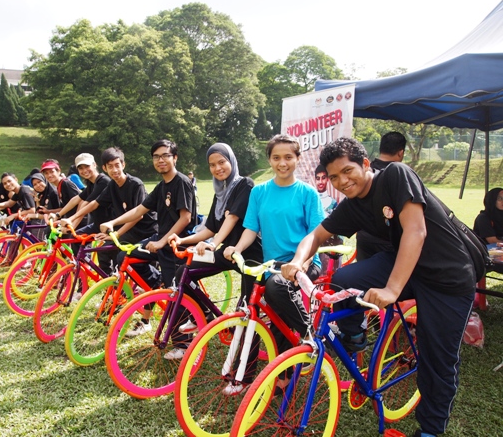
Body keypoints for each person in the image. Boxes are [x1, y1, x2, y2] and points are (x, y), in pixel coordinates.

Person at [281, 137, 475, 437]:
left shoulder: (396, 175)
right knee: (344, 279)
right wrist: (297, 261)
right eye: (334, 177)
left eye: (347, 171)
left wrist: (392, 290)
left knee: (437, 360)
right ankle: (354, 335)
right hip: (403, 264)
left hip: (446, 276)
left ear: (365, 164)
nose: (342, 181)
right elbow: (316, 236)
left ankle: (430, 429)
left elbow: (416, 231)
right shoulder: (352, 205)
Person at [223, 135, 324, 390]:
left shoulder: (307, 193)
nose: (282, 163)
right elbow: (250, 228)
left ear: (298, 159)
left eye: (288, 157)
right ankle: (284, 374)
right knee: (274, 315)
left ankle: (311, 336)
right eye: (276, 157)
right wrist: (237, 248)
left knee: (277, 290)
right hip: (272, 266)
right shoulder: (259, 192)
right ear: (269, 160)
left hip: (304, 263)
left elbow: (316, 235)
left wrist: (302, 263)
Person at [100, 139, 197, 355]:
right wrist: (114, 223)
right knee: (126, 256)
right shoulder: (162, 186)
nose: (160, 160)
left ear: (175, 158)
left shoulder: (181, 182)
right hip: (160, 240)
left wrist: (163, 241)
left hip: (177, 244)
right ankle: (154, 283)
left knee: (174, 293)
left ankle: (183, 344)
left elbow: (186, 218)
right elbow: (139, 210)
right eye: (156, 156)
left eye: (165, 155)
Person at [167, 143, 263, 362]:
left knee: (248, 311)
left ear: (232, 161)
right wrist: (183, 240)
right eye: (212, 165)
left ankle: (245, 369)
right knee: (183, 272)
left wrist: (213, 243)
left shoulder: (245, 184)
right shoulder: (219, 193)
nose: (218, 168)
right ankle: (203, 315)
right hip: (227, 253)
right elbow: (210, 227)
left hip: (250, 255)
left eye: (222, 162)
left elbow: (232, 218)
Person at [62, 147, 158, 270]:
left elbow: (138, 216)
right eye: (110, 166)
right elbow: (95, 203)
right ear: (104, 168)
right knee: (104, 251)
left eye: (117, 165)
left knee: (135, 264)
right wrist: (71, 218)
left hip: (146, 230)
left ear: (123, 165)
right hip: (129, 229)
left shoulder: (135, 184)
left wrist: (117, 234)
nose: (114, 170)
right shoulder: (112, 184)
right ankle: (108, 280)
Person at [356, 131, 407, 260]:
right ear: (401, 153)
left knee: (364, 272)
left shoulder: (365, 173)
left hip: (364, 240)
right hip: (389, 243)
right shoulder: (400, 176)